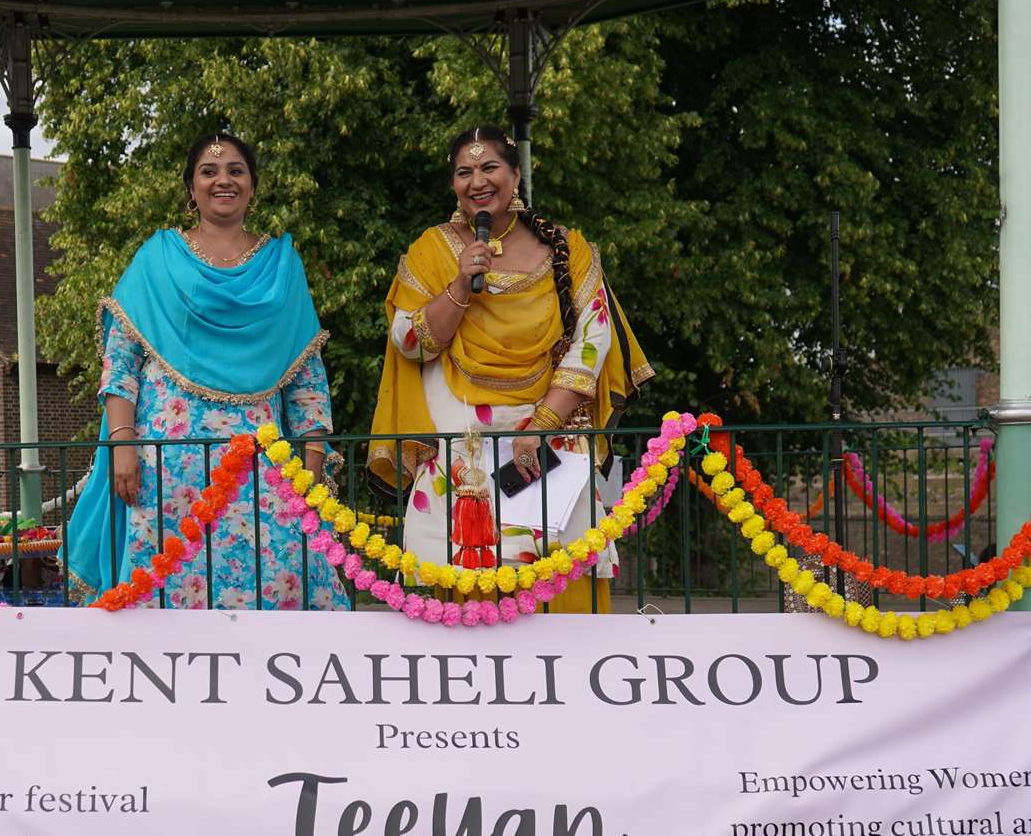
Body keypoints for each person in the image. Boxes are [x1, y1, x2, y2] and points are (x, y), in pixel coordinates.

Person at [368, 125, 653, 614]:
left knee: (560, 597)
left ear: (516, 174)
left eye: (489, 167)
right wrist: (461, 282)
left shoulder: (567, 248)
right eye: (464, 171)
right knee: (466, 605)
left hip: (548, 446)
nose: (477, 180)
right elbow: (410, 343)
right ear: (453, 184)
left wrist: (542, 427)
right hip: (465, 456)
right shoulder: (433, 251)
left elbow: (594, 341)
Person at [67, 133, 349, 610]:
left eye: (236, 170)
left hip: (261, 462)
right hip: (167, 465)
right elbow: (122, 361)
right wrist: (122, 444)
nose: (224, 180)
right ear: (191, 188)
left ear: (252, 186)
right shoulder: (158, 258)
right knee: (164, 588)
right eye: (209, 171)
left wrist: (313, 475)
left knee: (282, 579)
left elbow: (306, 377)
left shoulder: (280, 265)